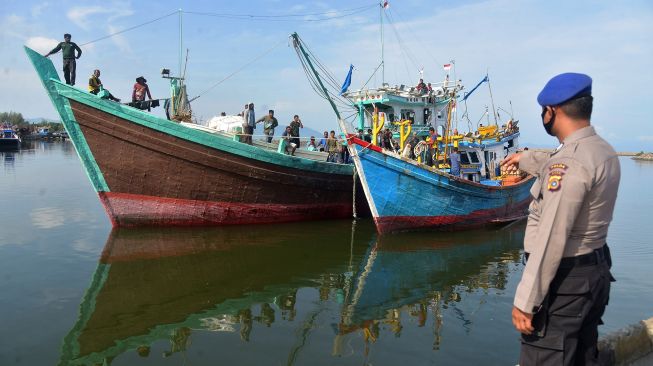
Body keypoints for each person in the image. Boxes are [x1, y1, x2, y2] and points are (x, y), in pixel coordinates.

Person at [502, 73, 620, 366]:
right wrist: (524, 157)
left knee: (544, 357)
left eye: (544, 111)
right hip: (594, 272)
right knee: (581, 354)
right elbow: (561, 161)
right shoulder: (602, 150)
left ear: (552, 111)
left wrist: (526, 302)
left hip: (565, 283)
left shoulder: (568, 164)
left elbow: (552, 237)